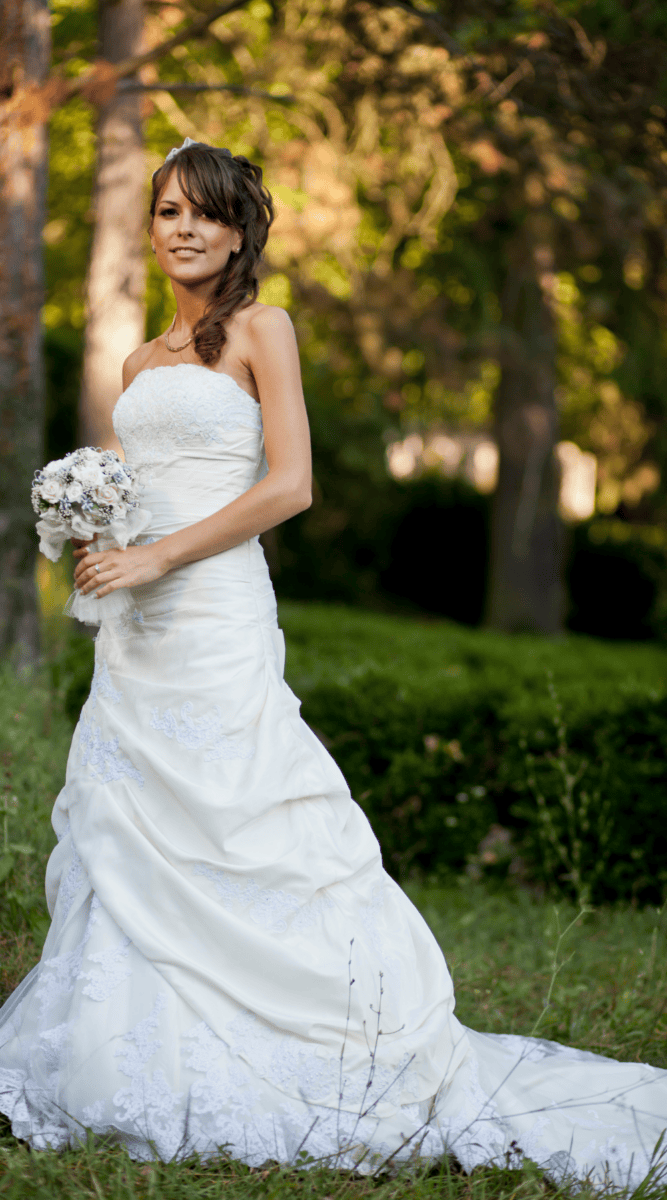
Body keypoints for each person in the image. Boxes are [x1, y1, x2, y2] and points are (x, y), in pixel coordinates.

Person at [1, 140, 665, 1187]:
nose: (182, 228)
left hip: (215, 607)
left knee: (240, 806)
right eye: (169, 210)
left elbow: (291, 484)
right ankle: (122, 1050)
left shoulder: (265, 329)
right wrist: (89, 529)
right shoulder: (137, 362)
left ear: (239, 230)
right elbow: (135, 484)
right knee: (133, 820)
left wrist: (163, 554)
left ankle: (319, 1042)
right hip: (138, 626)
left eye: (205, 214)